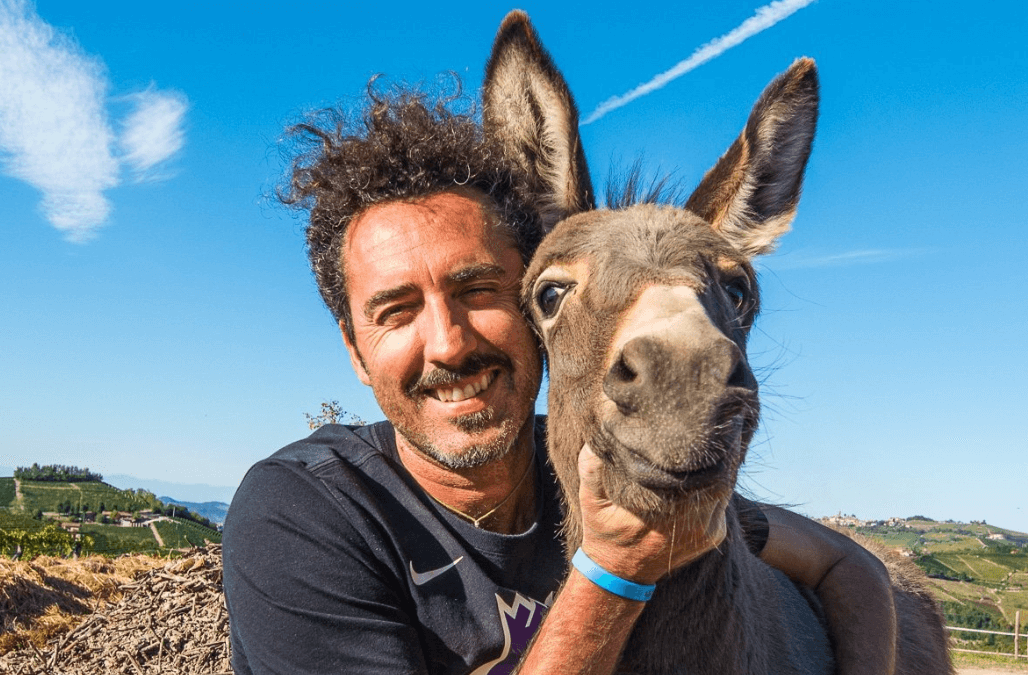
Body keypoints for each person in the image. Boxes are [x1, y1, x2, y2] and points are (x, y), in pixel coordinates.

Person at [223, 82, 896, 674]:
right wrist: (613, 569)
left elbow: (852, 565)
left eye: (480, 289)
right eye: (397, 311)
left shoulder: (599, 464)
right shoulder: (300, 517)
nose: (449, 344)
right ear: (355, 349)